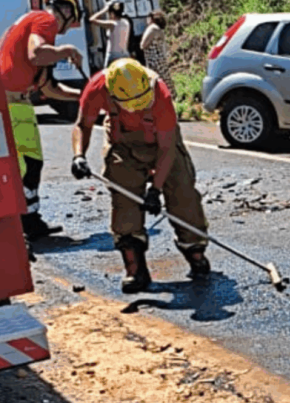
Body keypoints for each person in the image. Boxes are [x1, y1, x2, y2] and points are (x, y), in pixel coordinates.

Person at [70, 58, 210, 293]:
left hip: (159, 141)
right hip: (122, 144)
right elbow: (82, 124)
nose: (135, 108)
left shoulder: (160, 93)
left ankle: (195, 252)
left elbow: (166, 149)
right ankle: (135, 268)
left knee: (183, 195)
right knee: (125, 203)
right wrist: (78, 156)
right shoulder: (97, 88)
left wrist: (155, 190)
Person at [0, 0, 84, 239]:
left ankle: (27, 219)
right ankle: (28, 222)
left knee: (27, 164)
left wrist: (84, 96)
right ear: (67, 11)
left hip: (16, 104)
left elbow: (49, 87)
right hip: (11, 105)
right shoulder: (44, 20)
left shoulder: (32, 26)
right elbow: (35, 54)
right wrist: (67, 50)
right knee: (29, 165)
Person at [140, 10, 175, 97]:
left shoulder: (152, 28)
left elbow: (143, 45)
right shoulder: (159, 29)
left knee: (155, 80)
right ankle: (171, 97)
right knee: (165, 79)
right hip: (160, 58)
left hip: (153, 59)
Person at [90, 0, 131, 67]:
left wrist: (104, 10)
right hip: (124, 54)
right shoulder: (126, 22)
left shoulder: (112, 24)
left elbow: (92, 19)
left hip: (113, 55)